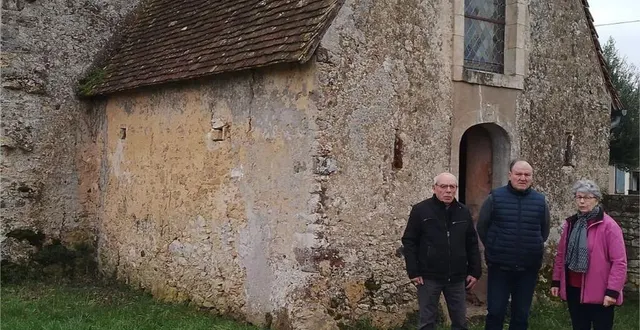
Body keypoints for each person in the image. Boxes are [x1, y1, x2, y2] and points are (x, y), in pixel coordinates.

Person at [402, 172, 482, 330]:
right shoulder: (420, 210)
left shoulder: (463, 211)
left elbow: (471, 242)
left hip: (457, 277)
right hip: (428, 276)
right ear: (434, 188)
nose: (448, 190)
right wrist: (413, 270)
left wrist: (475, 270)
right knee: (427, 322)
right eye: (443, 186)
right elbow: (409, 241)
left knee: (460, 321)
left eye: (452, 187)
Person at [477, 160, 550, 330]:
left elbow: (544, 230)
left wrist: (532, 246)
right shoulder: (495, 198)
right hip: (500, 267)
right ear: (510, 175)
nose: (523, 178)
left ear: (531, 177)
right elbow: (482, 227)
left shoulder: (540, 201)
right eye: (518, 174)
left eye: (527, 175)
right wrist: (494, 247)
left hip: (528, 268)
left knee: (521, 315)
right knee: (495, 312)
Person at [550, 179, 627, 330]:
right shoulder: (571, 224)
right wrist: (556, 281)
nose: (582, 201)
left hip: (600, 291)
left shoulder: (609, 226)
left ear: (596, 200)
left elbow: (619, 262)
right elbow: (561, 255)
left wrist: (612, 291)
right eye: (579, 197)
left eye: (587, 197)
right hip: (574, 289)